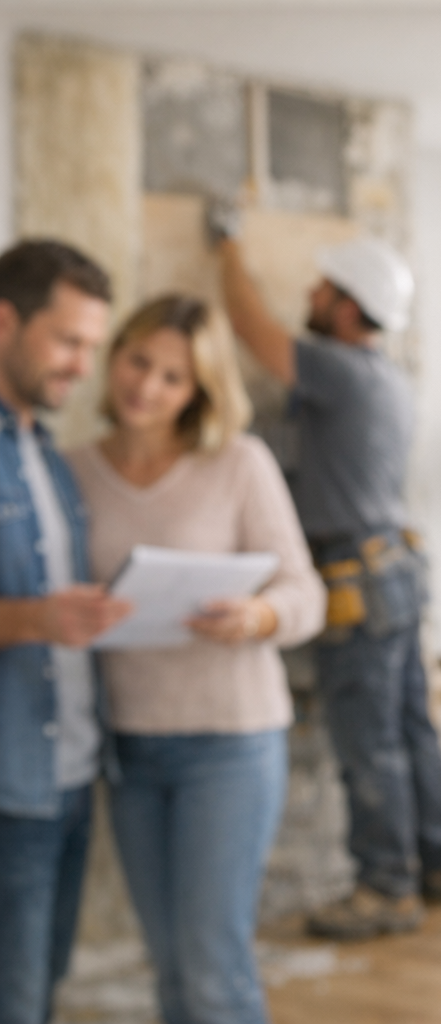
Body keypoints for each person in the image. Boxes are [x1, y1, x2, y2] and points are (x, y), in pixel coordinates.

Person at [66, 294, 326, 1023]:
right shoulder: (73, 470)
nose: (147, 387)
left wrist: (259, 614)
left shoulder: (239, 463)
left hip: (231, 744)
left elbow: (305, 590)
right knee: (170, 966)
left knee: (214, 965)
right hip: (128, 746)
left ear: (200, 390)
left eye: (173, 377)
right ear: (114, 356)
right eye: (138, 361)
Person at [210, 212, 441, 940]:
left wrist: (230, 244)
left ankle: (386, 889)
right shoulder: (386, 377)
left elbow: (249, 325)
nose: (311, 298)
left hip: (357, 578)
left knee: (369, 743)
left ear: (349, 307)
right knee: (412, 728)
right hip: (393, 569)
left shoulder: (338, 370)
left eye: (322, 290)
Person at [0, 239, 132, 1024]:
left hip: (72, 776)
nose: (84, 366)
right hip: (9, 788)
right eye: (68, 340)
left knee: (40, 996)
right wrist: (35, 620)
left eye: (93, 345)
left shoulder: (48, 456)